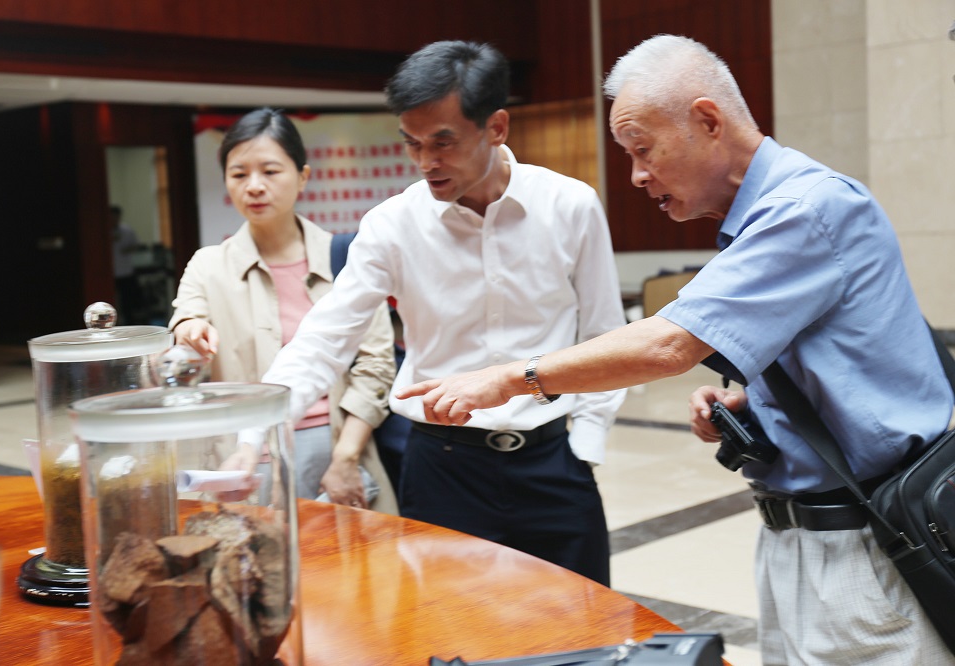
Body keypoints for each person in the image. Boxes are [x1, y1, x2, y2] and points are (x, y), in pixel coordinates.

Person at [397, 34, 955, 665]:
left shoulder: (805, 208)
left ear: (708, 121)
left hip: (862, 540)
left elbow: (667, 344)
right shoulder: (767, 213)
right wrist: (754, 405)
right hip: (805, 533)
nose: (637, 175)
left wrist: (511, 378)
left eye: (643, 149)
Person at [261, 40, 627, 585]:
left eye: (443, 142)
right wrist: (254, 433)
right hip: (442, 470)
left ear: (496, 127)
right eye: (412, 143)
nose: (425, 162)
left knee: (582, 622)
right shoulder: (391, 225)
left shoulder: (569, 205)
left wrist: (586, 444)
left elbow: (603, 332)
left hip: (552, 462)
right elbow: (325, 338)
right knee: (450, 626)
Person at [169, 107, 398, 514]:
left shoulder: (348, 260)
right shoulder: (208, 265)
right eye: (239, 174)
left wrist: (345, 457)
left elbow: (375, 367)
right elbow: (187, 317)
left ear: (303, 176)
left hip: (337, 445)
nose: (254, 186)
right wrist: (190, 330)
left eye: (270, 171)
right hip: (242, 456)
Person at [111, 205, 143, 324]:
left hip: (126, 271)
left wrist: (127, 249)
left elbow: (136, 245)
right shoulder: (103, 230)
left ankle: (129, 323)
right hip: (111, 273)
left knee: (127, 302)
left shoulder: (127, 230)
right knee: (113, 302)